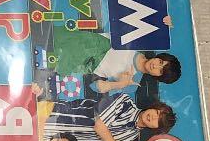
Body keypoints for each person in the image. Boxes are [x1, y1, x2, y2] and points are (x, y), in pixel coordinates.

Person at [42, 93, 176, 141]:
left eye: (158, 121)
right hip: (52, 118)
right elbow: (99, 126)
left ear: (155, 128)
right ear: (153, 107)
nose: (153, 117)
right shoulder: (125, 102)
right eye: (156, 112)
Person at [47, 25, 181, 92]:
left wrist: (119, 85)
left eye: (160, 70)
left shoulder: (132, 83)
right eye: (160, 62)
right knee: (45, 35)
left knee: (45, 63)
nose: (155, 66)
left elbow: (95, 87)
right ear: (158, 57)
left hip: (82, 64)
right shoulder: (139, 43)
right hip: (84, 41)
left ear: (158, 77)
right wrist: (165, 22)